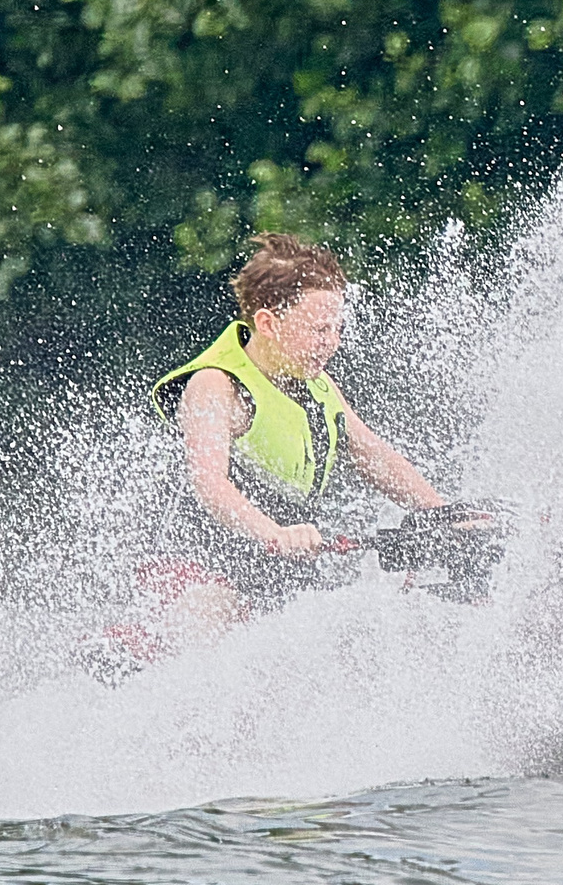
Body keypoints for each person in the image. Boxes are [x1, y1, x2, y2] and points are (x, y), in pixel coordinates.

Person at [131, 233, 450, 649]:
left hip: (271, 580)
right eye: (318, 329)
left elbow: (374, 457)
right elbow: (211, 485)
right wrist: (274, 533)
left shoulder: (318, 387)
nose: (331, 343)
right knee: (219, 616)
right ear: (268, 323)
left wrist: (443, 514)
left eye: (336, 329)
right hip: (194, 577)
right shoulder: (216, 386)